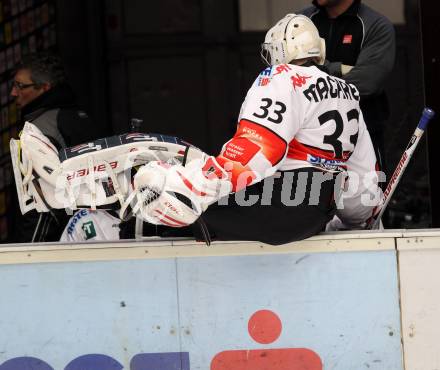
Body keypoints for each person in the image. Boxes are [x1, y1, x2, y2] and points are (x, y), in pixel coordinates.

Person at [131, 13, 380, 245]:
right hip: (313, 214)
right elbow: (363, 174)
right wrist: (358, 221)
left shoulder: (282, 77)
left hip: (281, 205)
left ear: (279, 50)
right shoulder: (348, 93)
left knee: (173, 222)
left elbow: (252, 153)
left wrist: (188, 184)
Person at [9, 52, 103, 243]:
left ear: (44, 88)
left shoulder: (38, 131)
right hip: (95, 232)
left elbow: (41, 207)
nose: (13, 92)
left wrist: (26, 254)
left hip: (57, 247)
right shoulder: (81, 117)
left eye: (20, 86)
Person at [301, 0, 396, 175]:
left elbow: (366, 83)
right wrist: (339, 68)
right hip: (305, 138)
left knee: (369, 200)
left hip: (362, 141)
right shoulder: (301, 20)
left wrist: (316, 70)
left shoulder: (376, 25)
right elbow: (288, 71)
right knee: (310, 200)